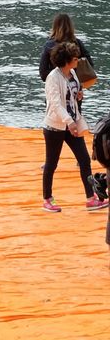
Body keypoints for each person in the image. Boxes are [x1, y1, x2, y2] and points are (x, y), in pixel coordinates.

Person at [42, 42, 108, 212]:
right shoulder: (53, 78)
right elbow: (55, 104)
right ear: (67, 60)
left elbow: (73, 93)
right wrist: (69, 122)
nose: (78, 61)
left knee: (84, 159)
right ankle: (47, 199)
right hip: (55, 127)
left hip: (71, 124)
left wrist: (79, 95)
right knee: (51, 164)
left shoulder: (72, 73)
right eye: (75, 58)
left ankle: (90, 198)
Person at [39, 13, 93, 80]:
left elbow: (43, 73)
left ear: (55, 26)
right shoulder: (77, 43)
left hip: (55, 83)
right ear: (71, 26)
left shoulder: (49, 45)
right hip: (75, 84)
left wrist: (59, 76)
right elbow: (90, 65)